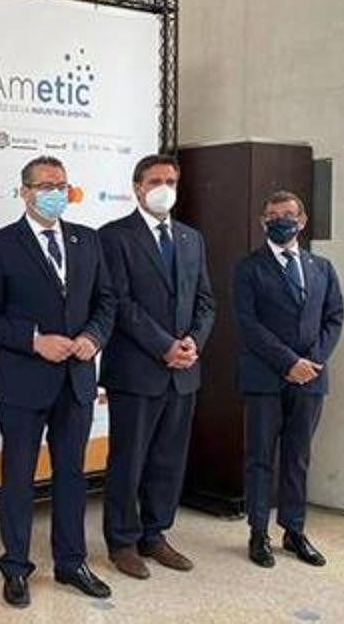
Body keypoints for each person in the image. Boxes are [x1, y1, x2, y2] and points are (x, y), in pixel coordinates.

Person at [0, 155, 116, 608]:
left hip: (76, 379)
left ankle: (71, 563)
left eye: (62, 185)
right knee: (18, 476)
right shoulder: (0, 244)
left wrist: (93, 338)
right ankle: (15, 567)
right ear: (25, 192)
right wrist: (34, 341)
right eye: (46, 185)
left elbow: (106, 301)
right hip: (22, 381)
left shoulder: (87, 239)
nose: (56, 192)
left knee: (72, 474)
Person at [99, 154, 215, 579]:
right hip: (136, 371)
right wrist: (164, 346)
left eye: (171, 180)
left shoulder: (190, 238)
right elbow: (120, 303)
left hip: (183, 371)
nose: (164, 187)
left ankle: (155, 534)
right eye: (155, 181)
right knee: (128, 461)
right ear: (138, 187)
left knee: (168, 460)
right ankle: (122, 541)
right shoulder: (114, 237)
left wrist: (192, 342)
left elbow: (205, 300)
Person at [233, 190, 344, 569]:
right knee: (260, 457)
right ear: (263, 222)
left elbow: (334, 318)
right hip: (264, 377)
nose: (281, 221)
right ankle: (258, 532)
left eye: (288, 215)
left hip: (310, 378)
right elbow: (248, 324)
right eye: (273, 216)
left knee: (298, 457)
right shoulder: (249, 268)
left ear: (302, 221)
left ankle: (294, 530)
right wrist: (288, 362)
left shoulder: (322, 268)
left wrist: (311, 362)